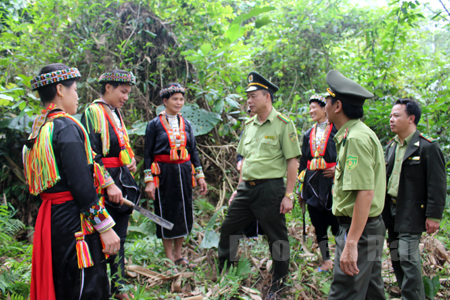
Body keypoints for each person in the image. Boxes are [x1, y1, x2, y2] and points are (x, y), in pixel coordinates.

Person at [23, 63, 120, 300]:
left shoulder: (40, 128)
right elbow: (81, 184)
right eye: (75, 89)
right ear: (60, 89)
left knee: (61, 281)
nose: (77, 96)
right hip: (75, 220)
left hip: (52, 218)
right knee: (86, 286)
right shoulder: (66, 126)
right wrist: (105, 227)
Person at [218, 71, 301, 300]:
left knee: (277, 238)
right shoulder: (250, 124)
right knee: (229, 230)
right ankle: (228, 275)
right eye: (248, 96)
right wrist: (237, 188)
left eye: (253, 96)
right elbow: (243, 160)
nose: (249, 101)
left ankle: (279, 283)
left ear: (267, 97)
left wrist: (289, 195)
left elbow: (292, 161)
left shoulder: (284, 124)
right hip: (246, 188)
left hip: (270, 189)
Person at [325, 70, 386, 300]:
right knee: (371, 292)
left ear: (337, 106)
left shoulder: (355, 139)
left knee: (345, 292)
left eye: (327, 101)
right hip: (366, 228)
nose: (325, 106)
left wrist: (351, 242)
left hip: (359, 229)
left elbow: (365, 192)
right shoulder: (356, 134)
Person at [81, 70, 140, 300]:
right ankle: (101, 286)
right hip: (104, 182)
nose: (126, 97)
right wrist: (108, 184)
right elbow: (91, 152)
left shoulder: (115, 113)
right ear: (108, 88)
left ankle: (119, 286)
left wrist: (130, 158)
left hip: (121, 176)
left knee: (121, 235)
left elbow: (119, 144)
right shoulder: (93, 112)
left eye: (128, 93)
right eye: (123, 92)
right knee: (102, 235)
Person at [382, 99, 446, 300]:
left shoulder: (427, 147)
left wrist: (433, 216)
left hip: (412, 210)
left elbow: (437, 184)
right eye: (391, 115)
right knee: (396, 255)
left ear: (411, 118)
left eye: (396, 115)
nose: (391, 119)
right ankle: (406, 293)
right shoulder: (392, 146)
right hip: (391, 209)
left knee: (408, 256)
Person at [144, 83, 207, 268]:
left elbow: (193, 151)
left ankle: (179, 255)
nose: (179, 103)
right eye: (175, 99)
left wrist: (200, 175)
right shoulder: (154, 125)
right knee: (166, 210)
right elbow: (148, 154)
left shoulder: (186, 124)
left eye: (181, 99)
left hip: (185, 172)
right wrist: (149, 181)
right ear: (165, 101)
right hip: (164, 174)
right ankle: (169, 256)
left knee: (183, 211)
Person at [297, 94, 339, 272]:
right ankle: (326, 260)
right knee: (318, 223)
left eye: (315, 107)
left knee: (337, 221)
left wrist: (338, 170)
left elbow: (346, 155)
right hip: (312, 184)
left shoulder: (337, 130)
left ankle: (343, 258)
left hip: (331, 184)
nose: (312, 111)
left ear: (324, 109)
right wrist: (300, 190)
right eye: (310, 108)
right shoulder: (308, 134)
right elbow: (303, 163)